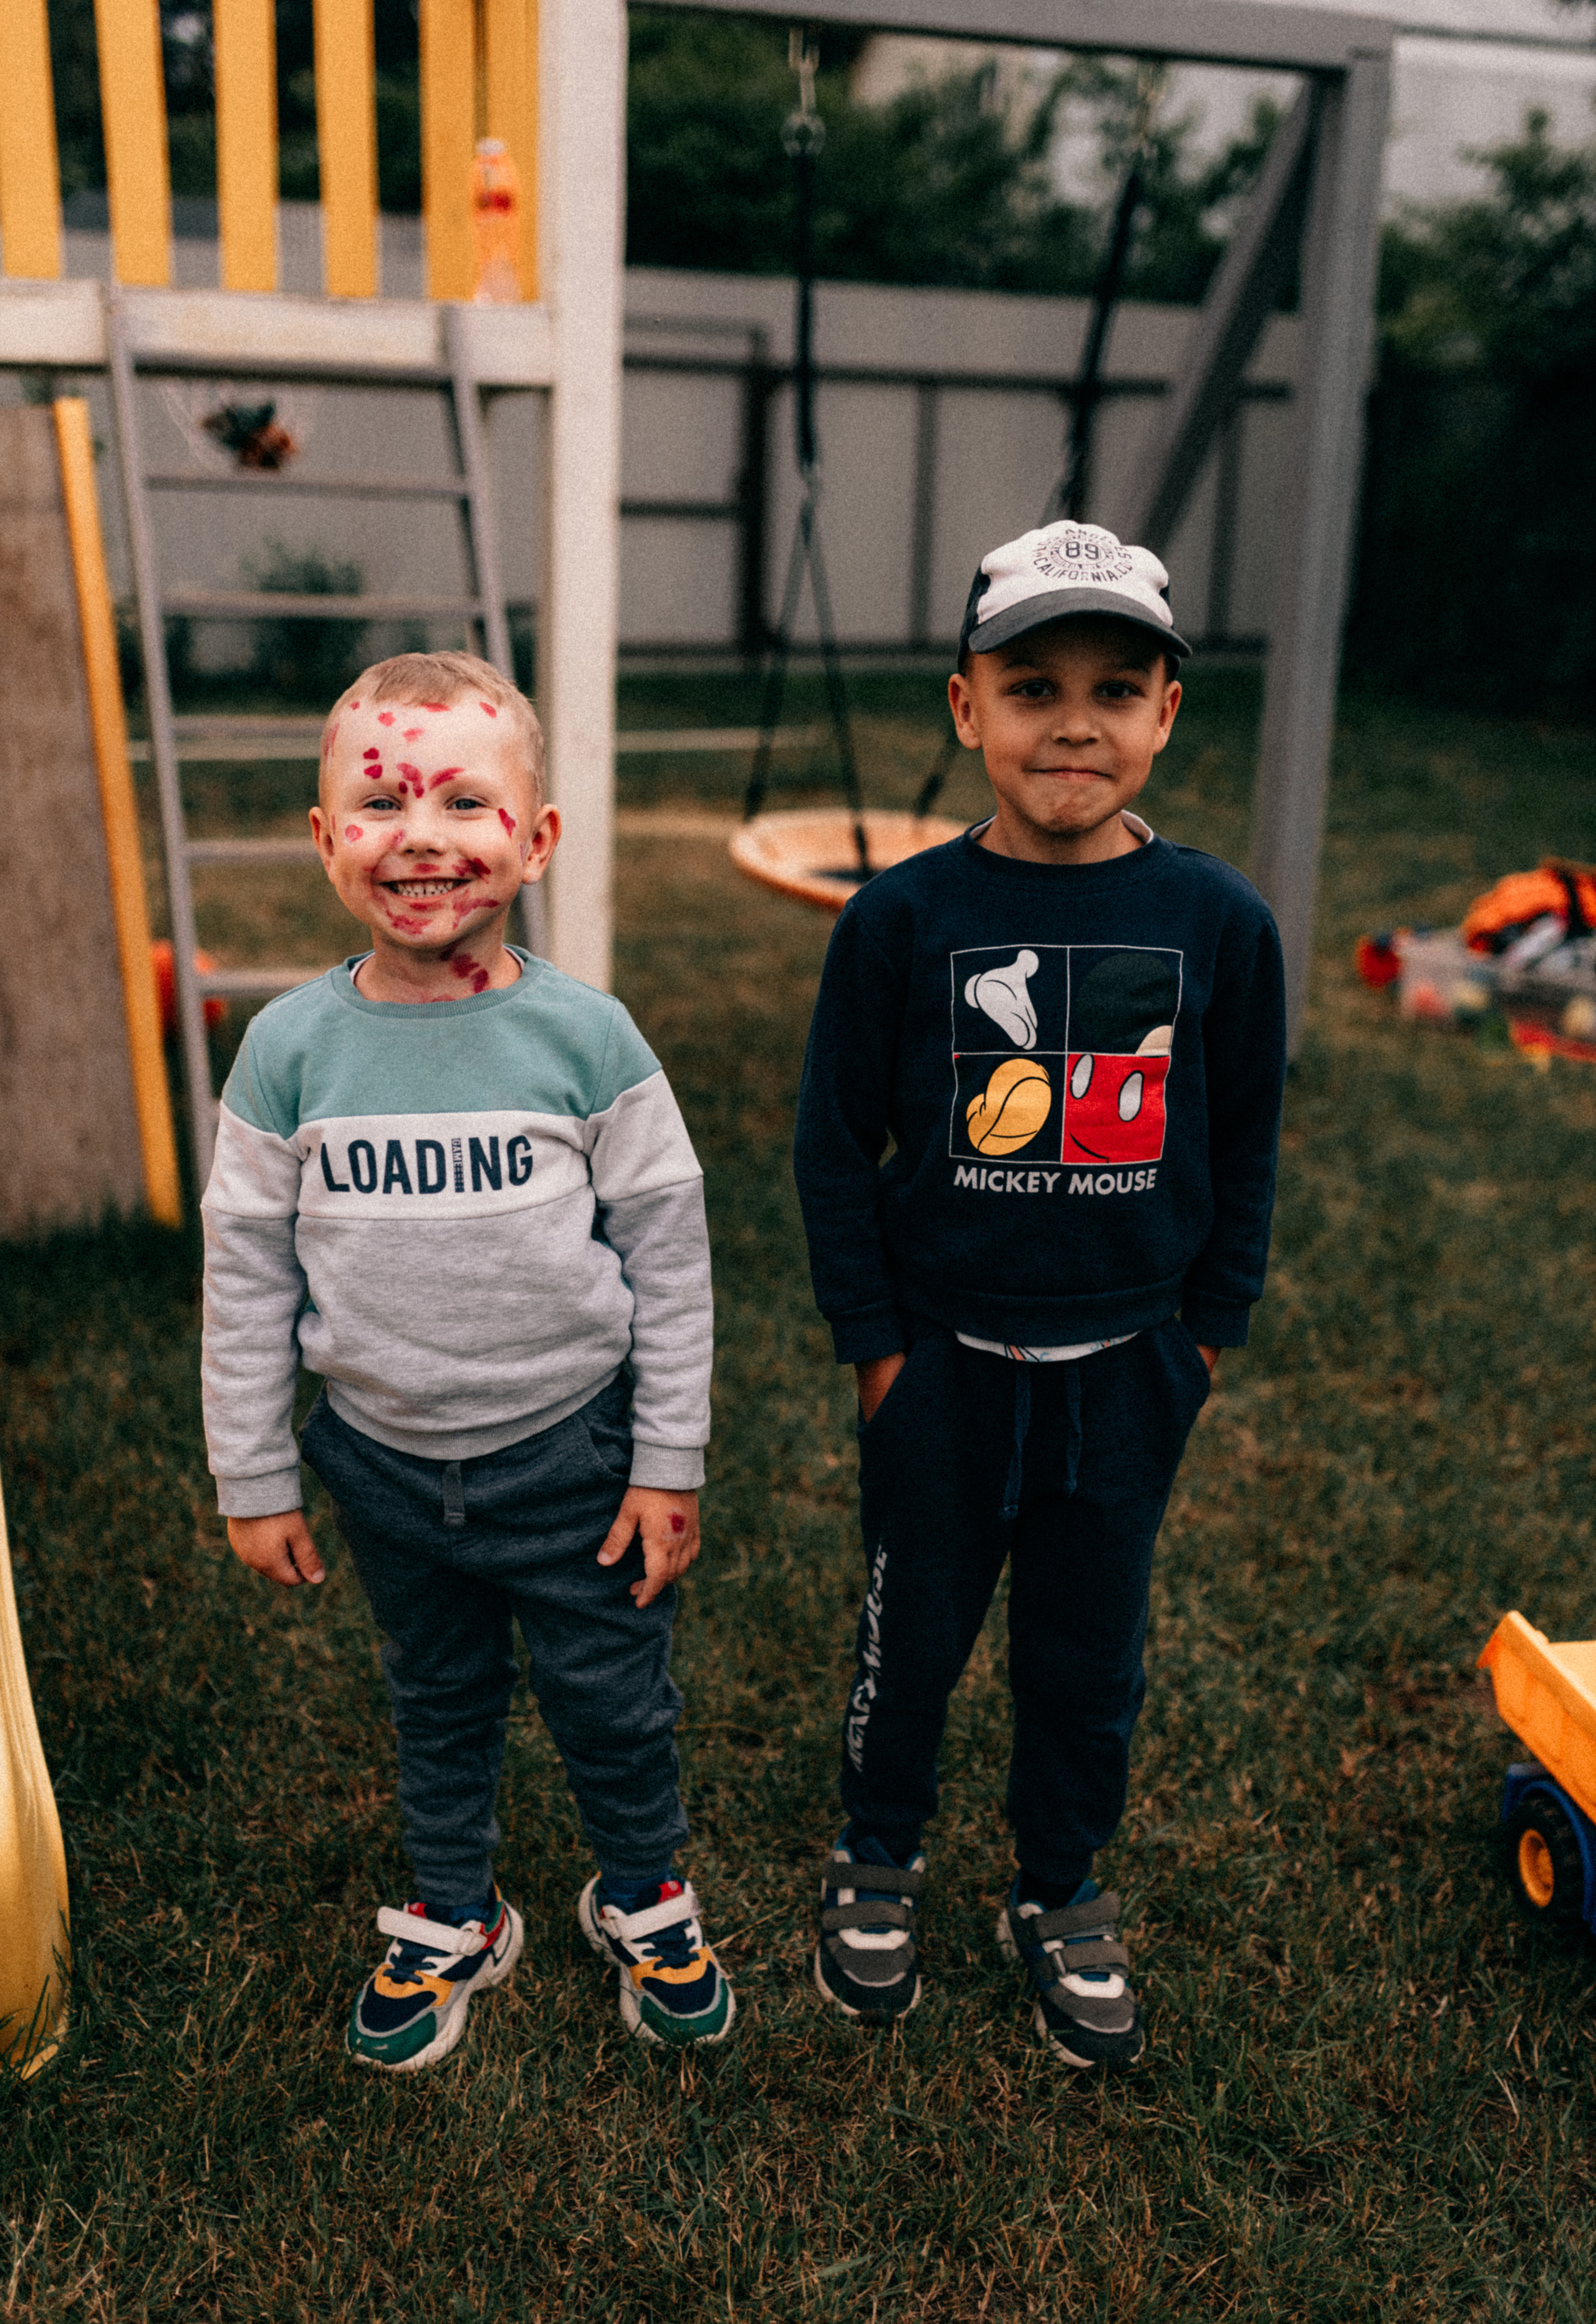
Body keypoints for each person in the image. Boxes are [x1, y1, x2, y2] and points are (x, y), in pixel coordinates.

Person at [793, 522, 1286, 2069]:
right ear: (964, 711)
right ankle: (878, 1855)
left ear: (1162, 717)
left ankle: (1058, 1887)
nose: (1071, 722)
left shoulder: (1218, 925)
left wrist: (1202, 1338)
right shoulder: (898, 921)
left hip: (1126, 1366)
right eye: (1030, 687)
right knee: (912, 1632)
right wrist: (878, 1351)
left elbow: (1250, 1140)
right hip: (943, 1363)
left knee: (1088, 1658)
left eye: (1112, 688)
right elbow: (830, 1142)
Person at [202, 650, 734, 2070]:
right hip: (380, 1465)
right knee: (435, 1698)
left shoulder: (585, 1038)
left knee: (613, 1699)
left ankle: (644, 1890)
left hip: (577, 1458)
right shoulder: (287, 1052)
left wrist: (667, 1458)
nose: (420, 835)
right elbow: (246, 1278)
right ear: (325, 840)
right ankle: (451, 1912)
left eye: (463, 801)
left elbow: (670, 1260)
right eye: (378, 801)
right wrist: (256, 1475)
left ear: (535, 838)